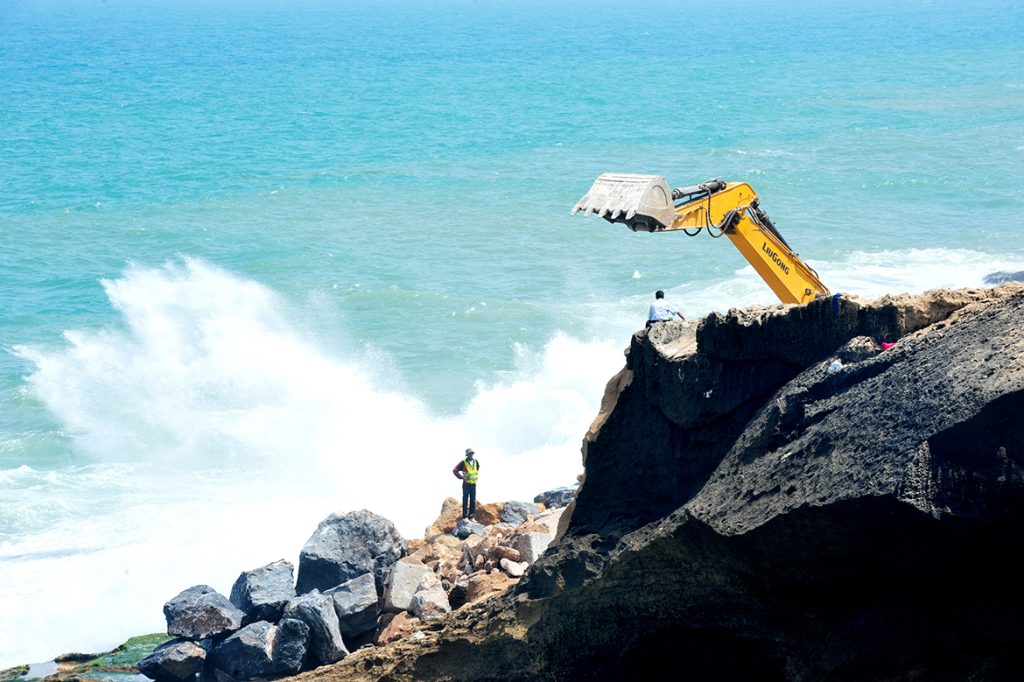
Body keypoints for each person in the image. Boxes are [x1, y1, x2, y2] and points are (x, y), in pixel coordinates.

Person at [452, 448, 479, 520]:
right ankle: (465, 516)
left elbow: (477, 470)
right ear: (467, 455)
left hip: (473, 484)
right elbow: (455, 470)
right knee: (465, 500)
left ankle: (471, 516)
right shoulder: (463, 463)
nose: (471, 455)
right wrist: (461, 477)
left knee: (473, 500)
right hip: (466, 484)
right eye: (469, 454)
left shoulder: (476, 462)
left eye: (472, 453)